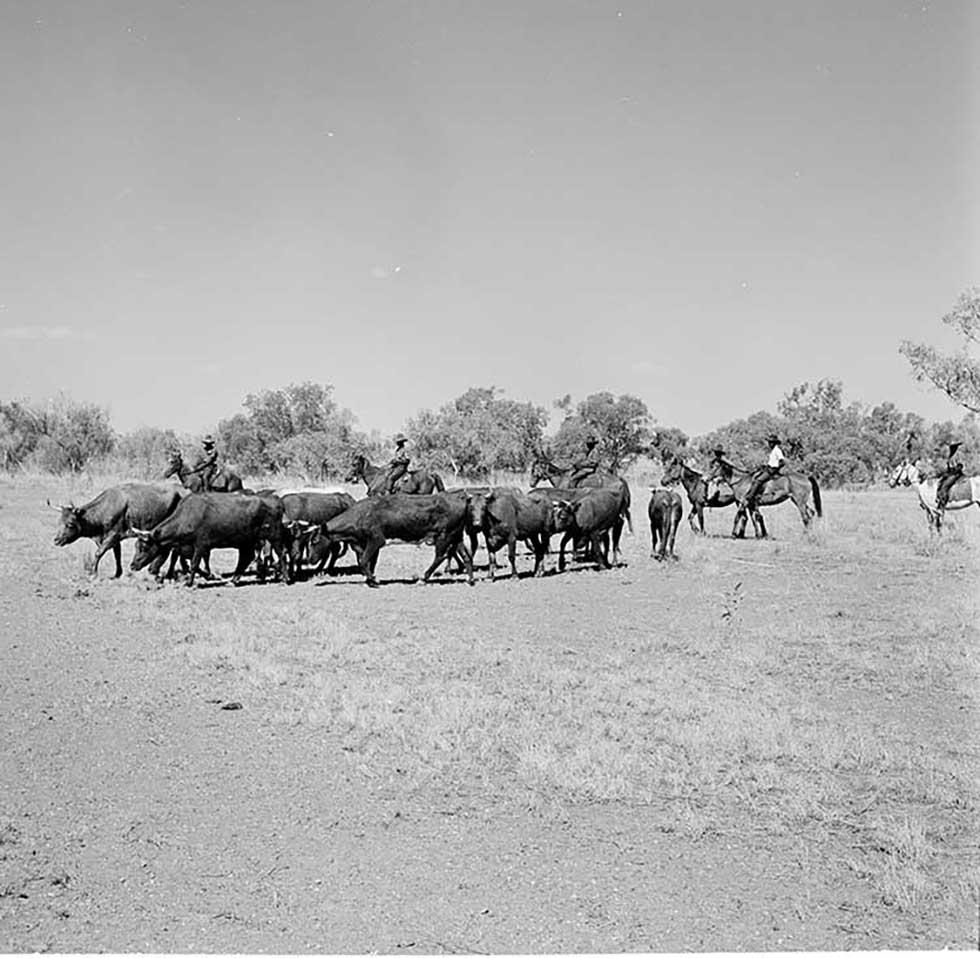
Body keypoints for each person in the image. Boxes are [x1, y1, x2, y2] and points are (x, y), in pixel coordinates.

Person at [744, 434, 786, 510]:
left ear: (774, 443)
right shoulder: (773, 451)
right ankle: (758, 495)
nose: (769, 444)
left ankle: (751, 497)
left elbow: (782, 462)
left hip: (772, 471)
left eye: (771, 442)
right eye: (769, 442)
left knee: (758, 480)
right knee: (756, 476)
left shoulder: (777, 450)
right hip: (769, 469)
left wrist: (774, 469)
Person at [935, 441, 964, 513]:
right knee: (940, 482)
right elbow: (948, 466)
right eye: (951, 447)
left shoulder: (958, 455)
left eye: (953, 446)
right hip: (951, 473)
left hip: (957, 474)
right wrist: (946, 473)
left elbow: (960, 466)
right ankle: (939, 499)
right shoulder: (950, 455)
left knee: (945, 485)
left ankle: (943, 502)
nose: (951, 448)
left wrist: (953, 471)